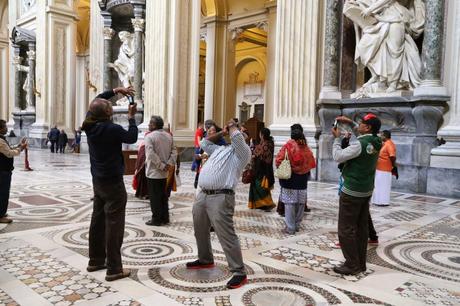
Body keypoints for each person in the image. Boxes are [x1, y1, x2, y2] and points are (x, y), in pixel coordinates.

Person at [81, 86, 138, 282]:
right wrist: (131, 118)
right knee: (114, 224)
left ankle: (96, 260)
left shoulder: (88, 125)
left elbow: (96, 100)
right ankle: (114, 268)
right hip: (113, 183)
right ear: (107, 112)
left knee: (97, 220)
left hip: (97, 180)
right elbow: (132, 138)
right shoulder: (112, 129)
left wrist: (115, 90)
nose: (113, 107)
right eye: (110, 106)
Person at [187, 119, 251, 289]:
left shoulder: (242, 154)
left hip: (221, 197)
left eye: (239, 133)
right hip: (203, 195)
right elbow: (204, 142)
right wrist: (223, 132)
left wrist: (234, 128)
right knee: (200, 229)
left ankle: (239, 272)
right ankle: (205, 259)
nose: (235, 134)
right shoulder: (220, 149)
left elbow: (238, 139)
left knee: (226, 235)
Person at [331, 113, 382, 275]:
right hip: (366, 190)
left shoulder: (359, 144)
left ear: (367, 127)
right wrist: (351, 123)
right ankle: (360, 263)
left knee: (346, 229)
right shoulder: (376, 140)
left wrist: (337, 139)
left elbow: (338, 156)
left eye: (360, 124)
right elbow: (363, 134)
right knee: (361, 228)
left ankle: (351, 265)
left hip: (352, 191)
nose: (358, 125)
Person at [345, 0, 425, 94]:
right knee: (363, 48)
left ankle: (393, 83)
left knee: (395, 52)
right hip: (380, 19)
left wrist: (370, 9)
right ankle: (376, 75)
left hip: (396, 19)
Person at [275, 126, 316, 235]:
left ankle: (290, 228)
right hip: (302, 180)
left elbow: (279, 160)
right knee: (300, 204)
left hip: (290, 179)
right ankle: (297, 225)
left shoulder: (288, 146)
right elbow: (311, 161)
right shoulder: (306, 147)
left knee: (289, 205)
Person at [144, 116, 177, 226]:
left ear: (154, 125)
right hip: (165, 172)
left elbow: (150, 154)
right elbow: (174, 151)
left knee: (154, 197)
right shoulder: (169, 136)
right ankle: (165, 217)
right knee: (163, 196)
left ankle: (156, 219)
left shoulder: (149, 137)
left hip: (154, 172)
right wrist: (169, 164)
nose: (148, 125)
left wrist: (161, 165)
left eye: (149, 123)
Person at [0, 120, 27, 224]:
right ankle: (1, 215)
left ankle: (1, 212)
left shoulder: (2, 139)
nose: (7, 128)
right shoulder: (0, 140)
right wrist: (20, 148)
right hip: (3, 171)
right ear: (1, 128)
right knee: (3, 193)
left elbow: (8, 149)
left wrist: (19, 146)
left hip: (3, 170)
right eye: (5, 126)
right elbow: (9, 153)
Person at [248, 127, 275, 211]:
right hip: (261, 168)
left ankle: (267, 203)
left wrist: (255, 155)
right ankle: (259, 204)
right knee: (257, 185)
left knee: (260, 186)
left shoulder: (266, 144)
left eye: (260, 134)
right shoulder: (267, 143)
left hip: (262, 169)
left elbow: (262, 156)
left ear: (262, 135)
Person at [372, 130, 397, 206]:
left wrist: (393, 166)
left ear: (385, 136)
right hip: (380, 168)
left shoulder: (389, 144)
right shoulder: (385, 143)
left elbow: (392, 156)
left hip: (385, 169)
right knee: (378, 185)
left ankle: (383, 202)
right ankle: (377, 201)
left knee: (383, 186)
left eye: (381, 135)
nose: (380, 136)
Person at [133, 130, 152, 200]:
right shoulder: (143, 145)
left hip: (149, 166)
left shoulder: (150, 144)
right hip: (143, 166)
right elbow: (140, 156)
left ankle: (148, 194)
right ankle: (141, 194)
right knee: (142, 180)